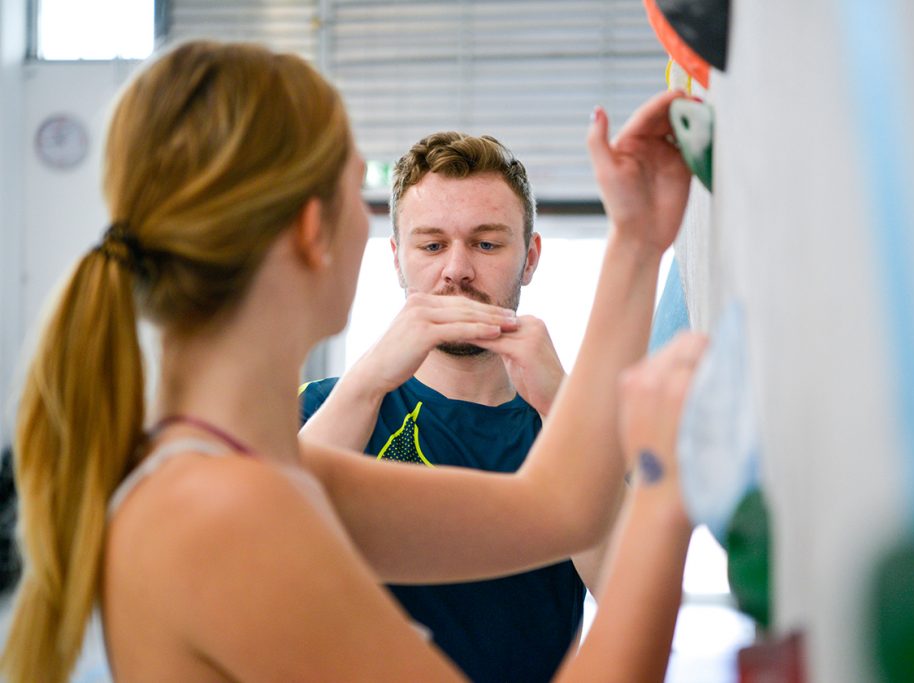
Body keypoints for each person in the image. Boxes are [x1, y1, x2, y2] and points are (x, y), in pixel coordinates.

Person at [1, 40, 704, 682]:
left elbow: (557, 507)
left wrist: (636, 241)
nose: (455, 268)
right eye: (355, 196)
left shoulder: (267, 472)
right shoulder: (223, 514)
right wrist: (665, 483)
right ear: (315, 232)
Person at [298, 132, 600, 682]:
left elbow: (634, 593)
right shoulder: (324, 408)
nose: (456, 270)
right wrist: (367, 382)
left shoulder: (578, 427)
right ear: (398, 259)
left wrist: (564, 407)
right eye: (432, 245)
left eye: (486, 244)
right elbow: (270, 549)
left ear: (529, 258)